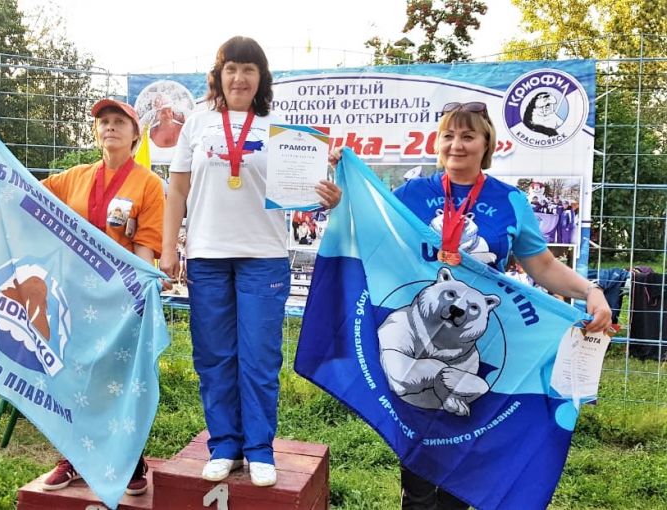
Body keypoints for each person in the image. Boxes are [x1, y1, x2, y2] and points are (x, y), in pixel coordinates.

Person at [332, 101, 611, 509]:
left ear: (486, 144)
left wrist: (591, 291)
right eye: (448, 136)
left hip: (479, 343)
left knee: (465, 449)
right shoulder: (412, 194)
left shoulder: (509, 201)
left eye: (468, 136)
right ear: (437, 143)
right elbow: (368, 230)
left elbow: (543, 265)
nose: (457, 145)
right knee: (418, 458)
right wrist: (342, 184)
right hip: (417, 341)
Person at [159, 36, 341, 488]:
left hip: (264, 256)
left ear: (261, 78)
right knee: (214, 356)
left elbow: (307, 193)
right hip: (207, 255)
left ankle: (259, 448)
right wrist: (169, 248)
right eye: (231, 69)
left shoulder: (282, 130)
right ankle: (224, 445)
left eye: (248, 69)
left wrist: (326, 193)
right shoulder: (196, 124)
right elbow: (177, 191)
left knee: (259, 358)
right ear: (218, 76)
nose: (239, 78)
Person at [39, 97, 166, 496]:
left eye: (119, 122)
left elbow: (146, 246)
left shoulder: (148, 184)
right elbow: (25, 196)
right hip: (72, 296)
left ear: (135, 135)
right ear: (96, 132)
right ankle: (73, 458)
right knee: (73, 375)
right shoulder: (73, 178)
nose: (110, 127)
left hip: (119, 301)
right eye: (104, 121)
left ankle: (130, 460)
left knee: (122, 378)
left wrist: (140, 297)